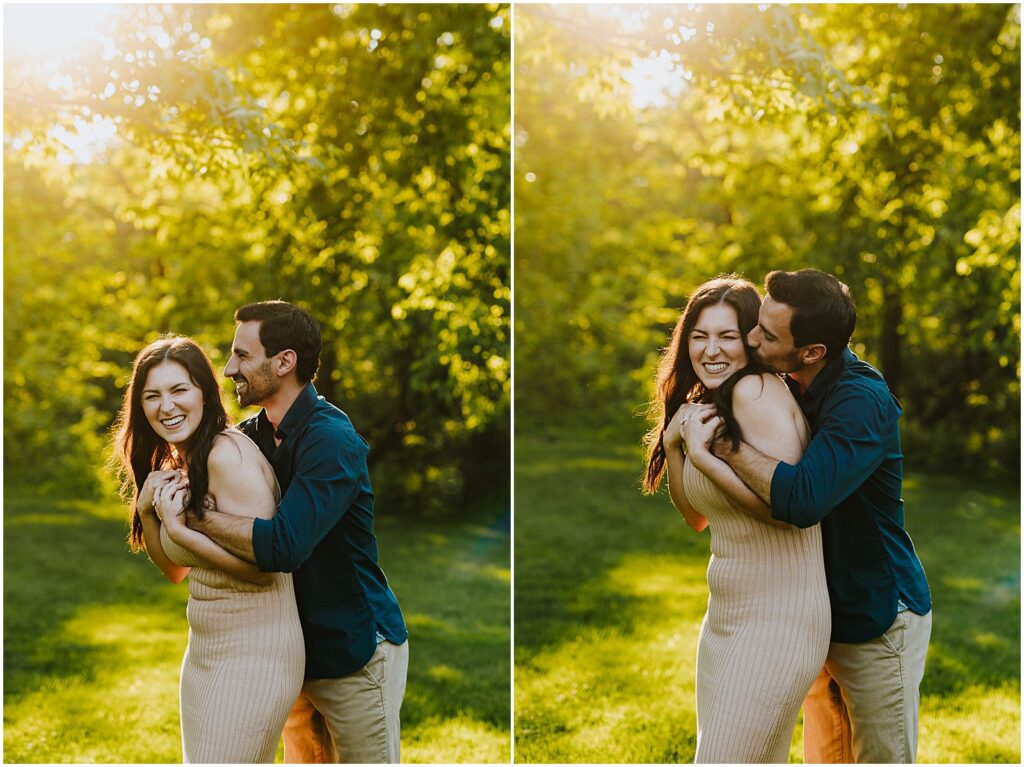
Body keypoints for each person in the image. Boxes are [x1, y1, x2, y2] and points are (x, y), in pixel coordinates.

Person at [688, 268, 932, 763]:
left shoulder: (861, 401)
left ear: (812, 351)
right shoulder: (788, 383)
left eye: (766, 334)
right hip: (819, 614)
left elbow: (802, 500)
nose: (751, 338)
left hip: (877, 615)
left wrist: (722, 446)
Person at [180, 300, 409, 764]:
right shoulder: (252, 436)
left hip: (356, 652)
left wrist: (199, 518)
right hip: (293, 656)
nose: (228, 369)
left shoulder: (332, 440)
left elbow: (284, 545)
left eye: (242, 356)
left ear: (284, 362)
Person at [642, 275, 831, 763]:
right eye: (700, 336)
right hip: (726, 615)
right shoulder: (708, 403)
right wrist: (675, 450)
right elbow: (697, 519)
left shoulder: (756, 392)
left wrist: (705, 458)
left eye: (727, 336)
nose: (711, 350)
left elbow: (790, 513)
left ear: (751, 338)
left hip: (781, 618)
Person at [113, 336, 304, 763]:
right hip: (206, 648)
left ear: (204, 391)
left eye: (179, 390)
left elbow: (266, 571)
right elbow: (177, 572)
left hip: (256, 652)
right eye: (152, 395)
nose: (167, 406)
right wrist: (147, 513)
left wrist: (180, 532)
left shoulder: (224, 455)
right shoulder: (184, 462)